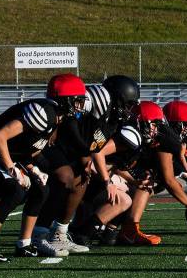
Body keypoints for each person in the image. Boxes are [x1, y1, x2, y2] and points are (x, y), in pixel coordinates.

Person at [0, 73, 86, 262]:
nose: (80, 106)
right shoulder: (44, 112)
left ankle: (24, 244)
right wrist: (12, 169)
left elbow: (23, 147)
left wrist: (33, 169)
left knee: (42, 189)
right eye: (77, 101)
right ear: (65, 99)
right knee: (15, 191)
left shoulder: (56, 118)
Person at [33, 75, 140, 256]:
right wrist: (79, 148)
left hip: (71, 148)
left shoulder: (111, 119)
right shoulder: (101, 98)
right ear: (118, 97)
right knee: (63, 180)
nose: (129, 109)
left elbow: (95, 148)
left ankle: (60, 234)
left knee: (81, 180)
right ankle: (38, 235)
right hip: (53, 143)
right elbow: (70, 111)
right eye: (127, 103)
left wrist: (106, 179)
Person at [118, 100, 187, 245]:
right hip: (113, 175)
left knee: (153, 180)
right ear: (176, 124)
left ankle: (112, 228)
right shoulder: (166, 138)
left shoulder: (165, 137)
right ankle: (129, 229)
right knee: (149, 180)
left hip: (119, 173)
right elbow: (169, 180)